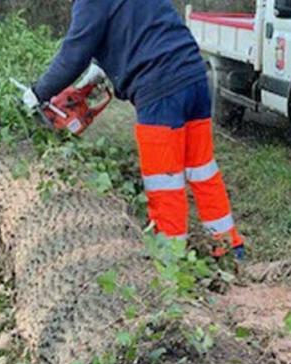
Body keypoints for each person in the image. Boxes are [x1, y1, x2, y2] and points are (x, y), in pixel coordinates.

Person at [21, 0, 244, 258]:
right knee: (201, 169)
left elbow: (74, 54)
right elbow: (137, 28)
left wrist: (37, 93)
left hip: (161, 88)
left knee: (165, 181)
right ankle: (229, 249)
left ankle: (170, 262)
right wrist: (97, 72)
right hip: (194, 76)